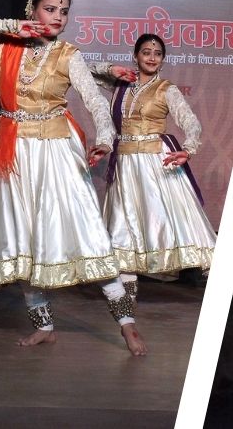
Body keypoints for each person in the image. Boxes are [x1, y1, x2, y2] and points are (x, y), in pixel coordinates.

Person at [0, 0, 146, 354]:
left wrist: (105, 138)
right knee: (23, 237)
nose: (58, 17)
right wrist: (14, 26)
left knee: (88, 233)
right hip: (13, 151)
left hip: (57, 150)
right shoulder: (8, 49)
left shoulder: (69, 55)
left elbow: (94, 101)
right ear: (32, 10)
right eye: (50, 9)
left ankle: (126, 323)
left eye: (64, 11)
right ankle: (44, 325)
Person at [87, 34, 216, 293]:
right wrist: (112, 70)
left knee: (171, 222)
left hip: (156, 162)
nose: (152, 58)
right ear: (135, 56)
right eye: (146, 52)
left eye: (157, 54)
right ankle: (127, 294)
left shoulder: (167, 89)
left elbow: (190, 122)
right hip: (124, 163)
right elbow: (83, 70)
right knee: (124, 225)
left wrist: (188, 150)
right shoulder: (121, 85)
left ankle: (222, 289)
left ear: (163, 59)